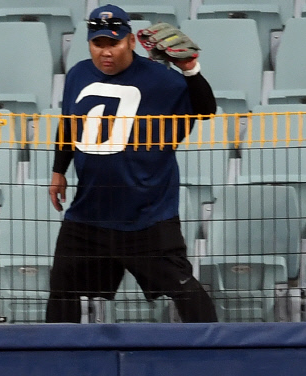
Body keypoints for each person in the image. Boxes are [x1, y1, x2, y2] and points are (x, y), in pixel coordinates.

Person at [46, 5, 218, 324]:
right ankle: (59, 363)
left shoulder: (162, 79)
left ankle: (215, 355)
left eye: (114, 43)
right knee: (62, 289)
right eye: (99, 44)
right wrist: (59, 170)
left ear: (131, 42)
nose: (106, 52)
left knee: (183, 288)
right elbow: (68, 124)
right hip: (89, 212)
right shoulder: (78, 74)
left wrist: (191, 70)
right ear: (89, 44)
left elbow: (206, 110)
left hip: (148, 213)